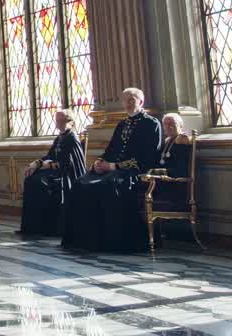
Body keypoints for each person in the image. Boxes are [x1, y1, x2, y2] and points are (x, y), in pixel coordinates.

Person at [62, 88, 162, 251]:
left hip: (134, 171)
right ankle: (84, 239)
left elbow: (149, 157)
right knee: (80, 183)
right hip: (113, 169)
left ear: (141, 102)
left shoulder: (151, 123)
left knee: (108, 185)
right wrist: (100, 162)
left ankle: (109, 241)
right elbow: (111, 150)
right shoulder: (122, 124)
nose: (128, 103)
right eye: (125, 100)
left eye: (132, 99)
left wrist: (114, 166)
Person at [18, 111, 87, 236]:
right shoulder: (60, 137)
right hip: (56, 172)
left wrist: (47, 165)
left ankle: (48, 227)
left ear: (70, 122)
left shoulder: (71, 138)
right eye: (57, 120)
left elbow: (68, 164)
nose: (58, 123)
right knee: (30, 179)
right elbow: (50, 156)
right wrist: (36, 163)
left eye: (62, 121)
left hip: (67, 175)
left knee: (40, 183)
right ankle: (33, 226)